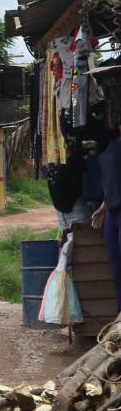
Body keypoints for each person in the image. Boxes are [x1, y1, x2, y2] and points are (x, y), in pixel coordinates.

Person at [92, 130, 121, 312]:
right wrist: (103, 205)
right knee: (117, 270)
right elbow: (111, 179)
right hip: (111, 210)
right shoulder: (112, 144)